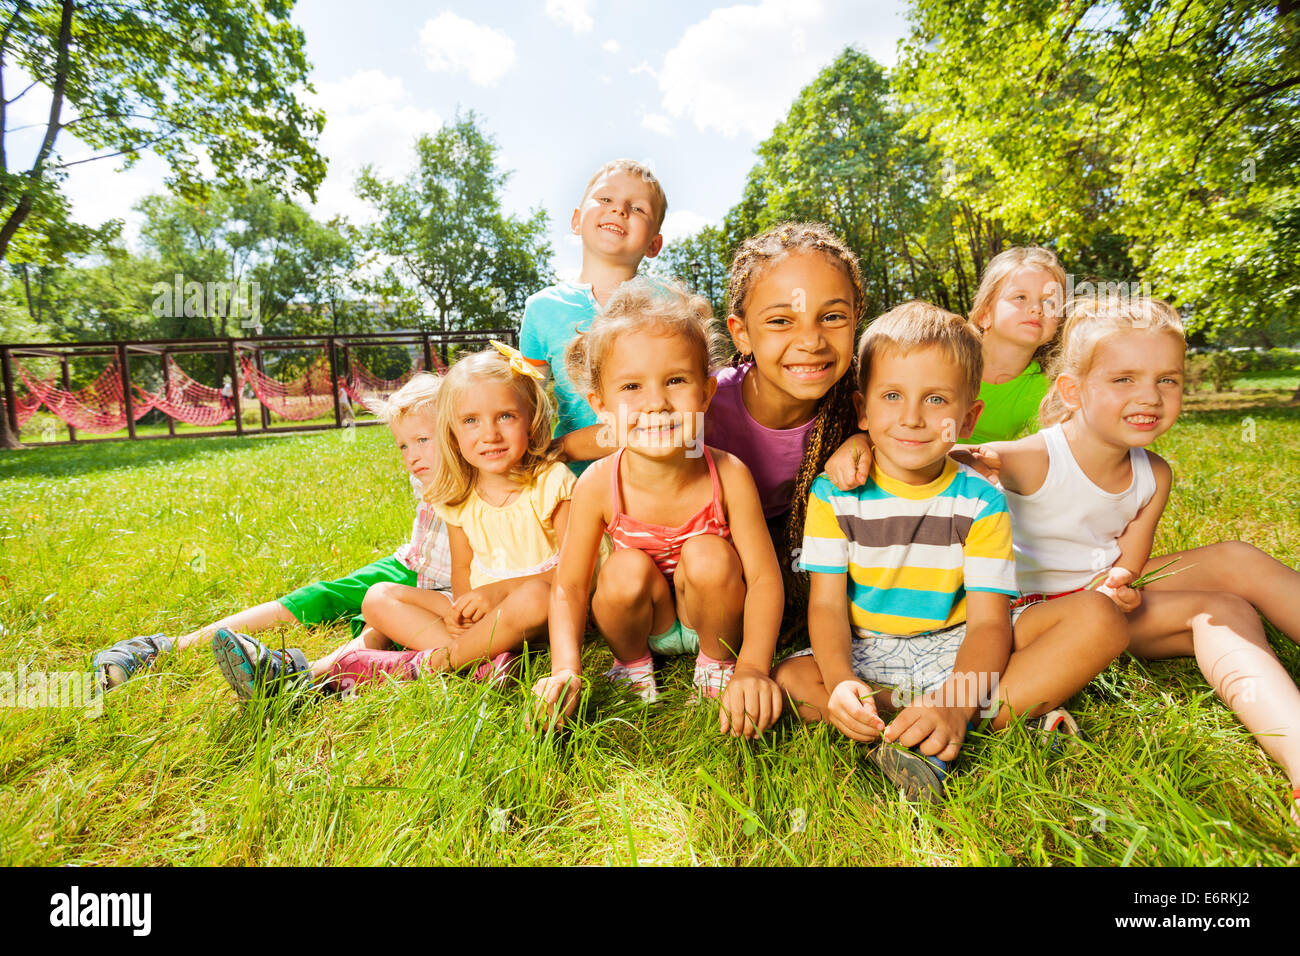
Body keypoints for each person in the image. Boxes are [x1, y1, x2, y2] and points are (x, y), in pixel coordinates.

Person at [773, 302, 1127, 801]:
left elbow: (988, 623)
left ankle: (940, 723)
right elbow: (827, 605)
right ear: (862, 410)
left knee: (1101, 617)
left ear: (968, 416)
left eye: (936, 399)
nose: (912, 418)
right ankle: (970, 721)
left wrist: (958, 699)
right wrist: (840, 683)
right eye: (892, 395)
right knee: (792, 677)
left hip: (959, 648)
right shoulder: (833, 496)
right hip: (866, 648)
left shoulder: (981, 501)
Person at [971, 295, 1300, 824]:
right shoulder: (1028, 458)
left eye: (1167, 380)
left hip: (1103, 603)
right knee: (1209, 606)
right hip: (1028, 620)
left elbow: (1132, 555)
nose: (1150, 395)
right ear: (1073, 391)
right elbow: (930, 456)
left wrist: (1122, 578)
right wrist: (864, 445)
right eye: (1124, 379)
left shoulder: (1154, 472)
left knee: (1231, 580)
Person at [212, 344, 577, 697]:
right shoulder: (460, 497)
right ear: (456, 432)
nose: (490, 434)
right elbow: (462, 571)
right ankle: (483, 665)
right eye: (471, 421)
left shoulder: (552, 482)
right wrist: (462, 609)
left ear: (532, 419)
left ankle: (431, 663)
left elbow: (576, 574)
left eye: (506, 416)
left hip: (540, 610)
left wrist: (497, 592)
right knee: (378, 596)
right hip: (482, 613)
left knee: (532, 596)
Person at [531, 278, 785, 738]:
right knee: (624, 568)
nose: (656, 403)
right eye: (631, 386)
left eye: (675, 380)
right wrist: (565, 666)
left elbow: (766, 579)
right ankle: (632, 666)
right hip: (643, 622)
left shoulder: (728, 473)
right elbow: (569, 586)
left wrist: (753, 666)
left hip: (712, 615)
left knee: (709, 554)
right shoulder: (597, 484)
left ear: (707, 392)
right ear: (601, 406)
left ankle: (715, 665)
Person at [89, 372, 453, 692]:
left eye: (423, 440)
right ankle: (167, 646)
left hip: (447, 585)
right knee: (315, 596)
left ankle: (300, 680)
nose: (411, 455)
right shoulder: (422, 471)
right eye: (404, 445)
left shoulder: (483, 477)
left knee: (377, 631)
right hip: (409, 562)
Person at [823, 246, 1066, 487]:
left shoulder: (1049, 389)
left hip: (981, 488)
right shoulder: (943, 359)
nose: (1036, 308)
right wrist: (859, 441)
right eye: (1020, 297)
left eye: (1049, 302)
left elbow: (1046, 453)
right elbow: (895, 414)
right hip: (909, 470)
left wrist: (978, 457)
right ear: (985, 314)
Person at [518, 158, 667, 475]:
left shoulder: (671, 306)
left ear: (654, 244)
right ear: (576, 220)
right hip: (575, 484)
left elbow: (689, 410)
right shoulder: (542, 309)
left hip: (659, 478)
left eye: (638, 208)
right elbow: (523, 406)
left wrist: (555, 450)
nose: (620, 210)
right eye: (605, 199)